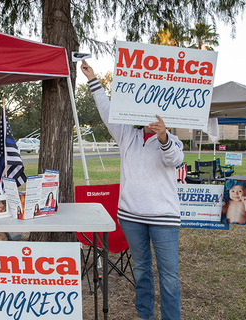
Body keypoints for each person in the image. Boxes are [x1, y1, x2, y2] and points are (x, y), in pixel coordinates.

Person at [81, 60, 185, 320]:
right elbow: (107, 111)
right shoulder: (127, 133)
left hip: (164, 218)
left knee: (170, 276)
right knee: (141, 270)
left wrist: (163, 137)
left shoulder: (173, 141)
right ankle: (144, 314)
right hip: (132, 216)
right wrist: (94, 80)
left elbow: (174, 160)